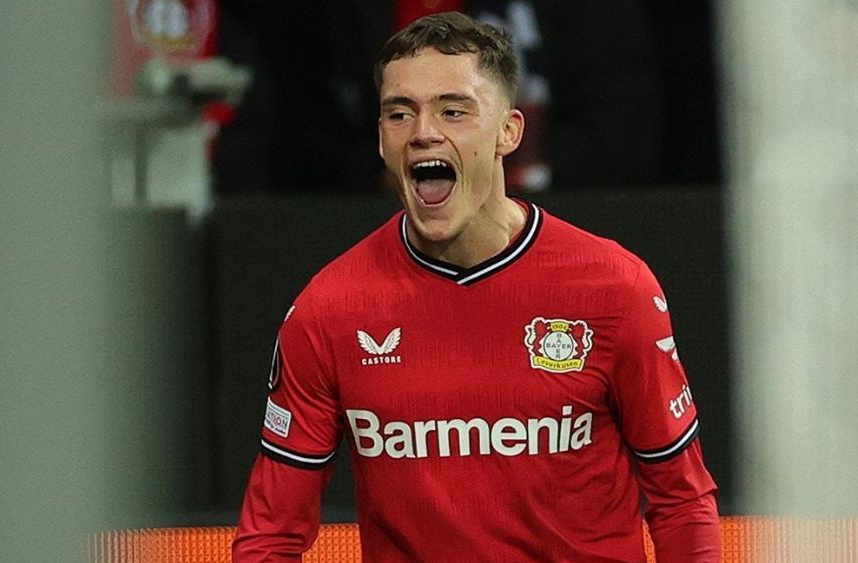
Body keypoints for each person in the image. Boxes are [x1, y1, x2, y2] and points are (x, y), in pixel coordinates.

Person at [232, 12, 720, 562]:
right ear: (380, 138)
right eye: (400, 113)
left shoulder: (614, 287)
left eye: (453, 110)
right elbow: (271, 535)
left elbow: (681, 500)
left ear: (509, 131)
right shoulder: (328, 310)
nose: (423, 132)